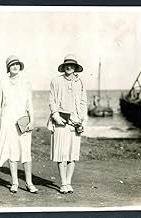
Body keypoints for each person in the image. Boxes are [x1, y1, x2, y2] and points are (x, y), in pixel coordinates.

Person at [0, 55, 38, 194]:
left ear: (20, 66)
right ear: (8, 67)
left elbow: (30, 104)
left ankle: (29, 183)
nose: (15, 66)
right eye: (12, 64)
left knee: (26, 151)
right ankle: (14, 182)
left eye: (17, 64)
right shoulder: (2, 82)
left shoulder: (26, 82)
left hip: (23, 119)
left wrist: (32, 120)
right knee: (11, 151)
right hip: (8, 120)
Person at [48, 54, 87, 194]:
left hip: (75, 122)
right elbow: (52, 100)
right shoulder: (56, 81)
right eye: (67, 65)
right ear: (63, 67)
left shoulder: (80, 82)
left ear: (75, 67)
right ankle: (63, 183)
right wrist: (55, 115)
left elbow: (83, 102)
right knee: (61, 154)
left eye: (72, 65)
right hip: (60, 120)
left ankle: (69, 182)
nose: (69, 67)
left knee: (72, 154)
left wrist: (83, 121)